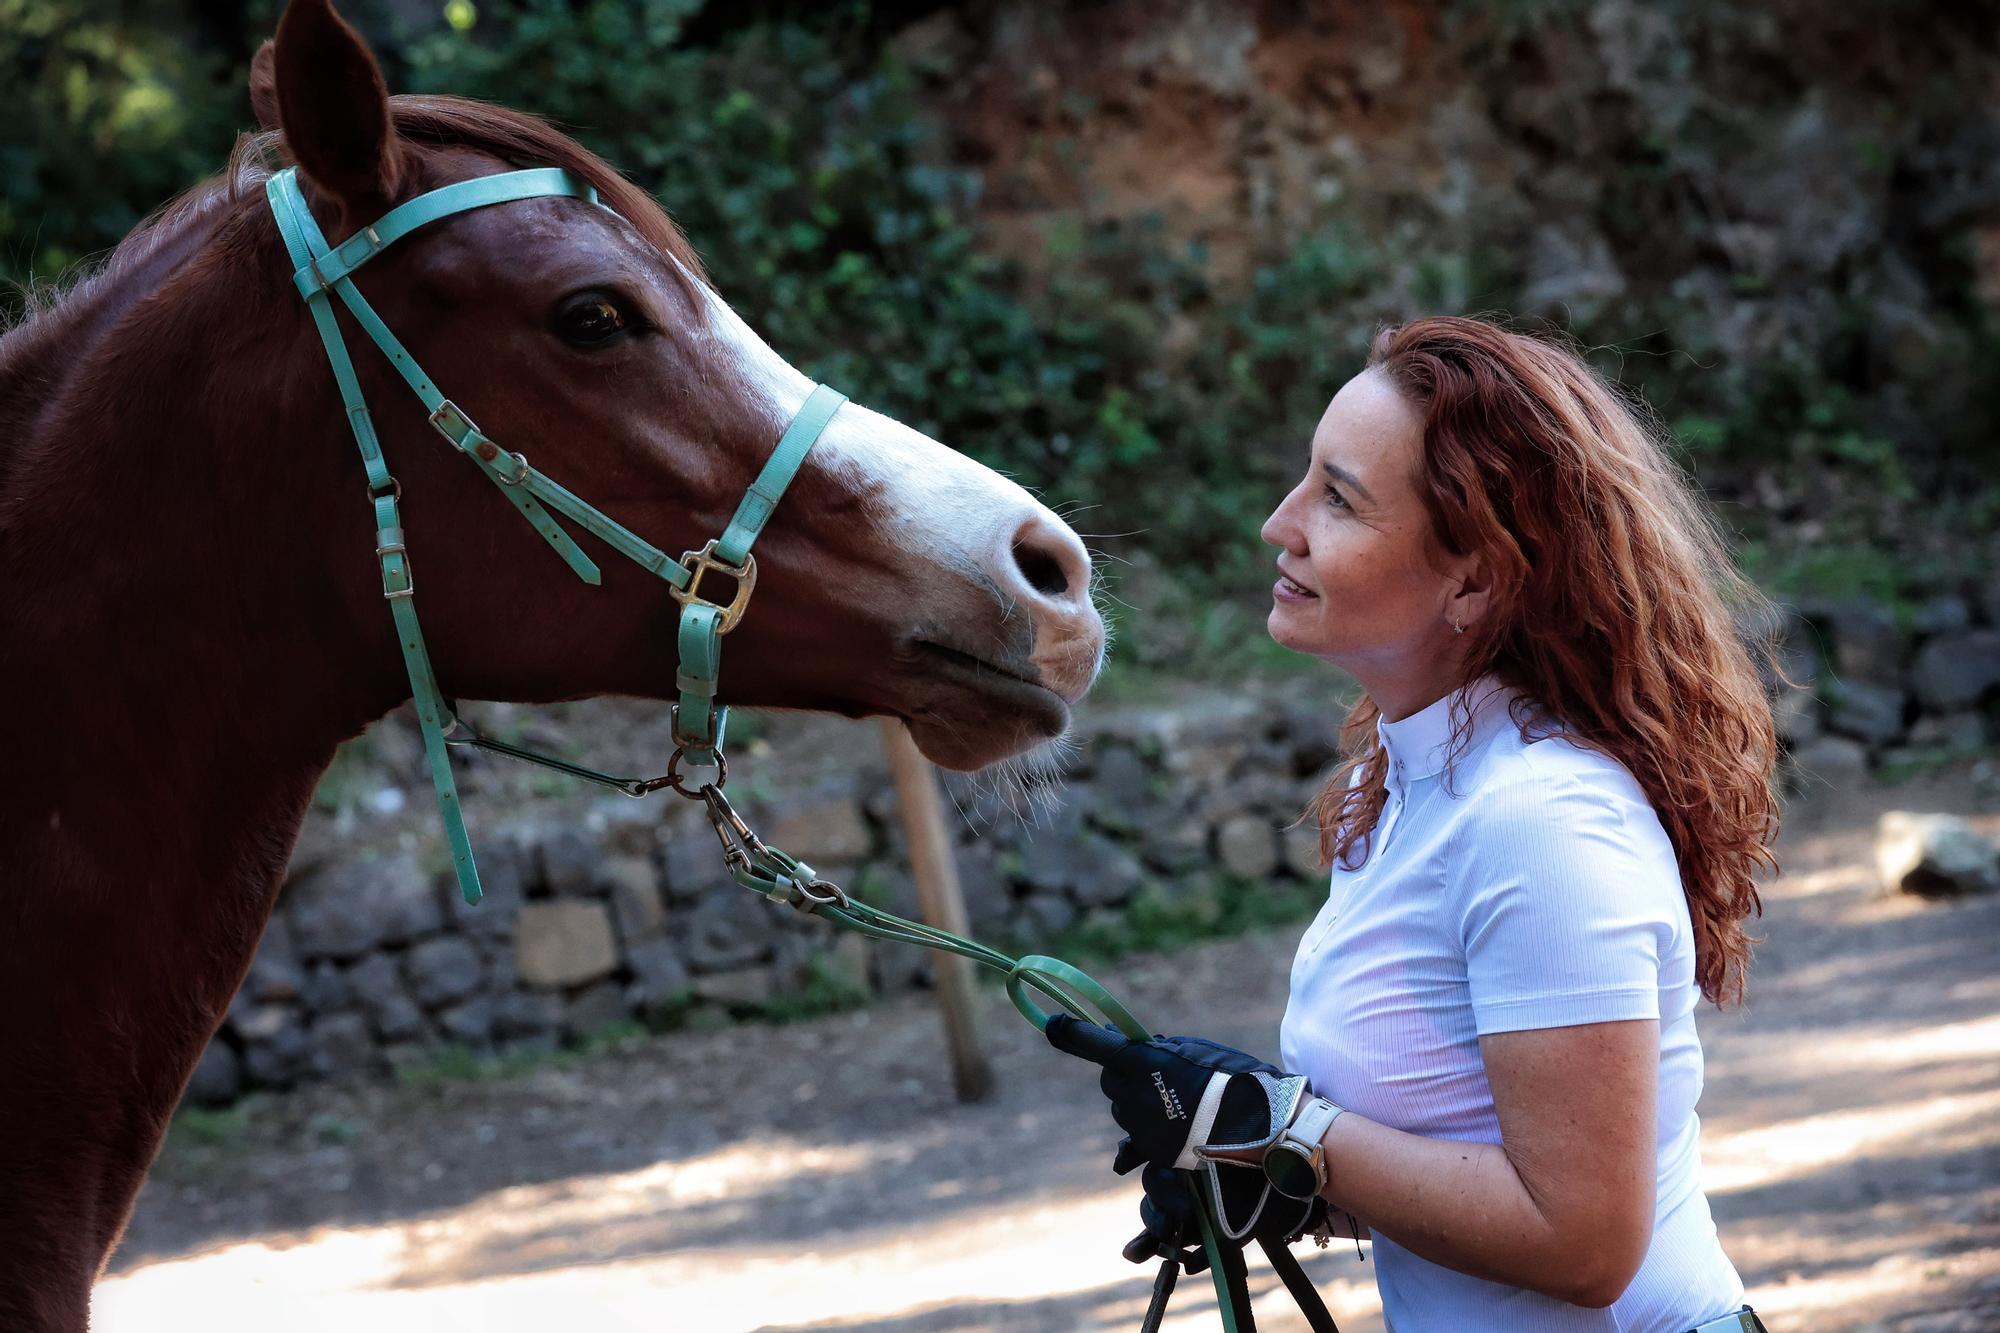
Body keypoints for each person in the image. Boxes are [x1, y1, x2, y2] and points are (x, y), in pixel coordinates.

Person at [1050, 316, 1779, 1332]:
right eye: (1304, 478)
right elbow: (1460, 1146)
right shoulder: (1413, 780)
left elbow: (1583, 1241)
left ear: (1475, 577)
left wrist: (1279, 1130)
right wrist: (1273, 1171)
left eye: (1337, 499)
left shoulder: (1541, 820)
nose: (1279, 521)